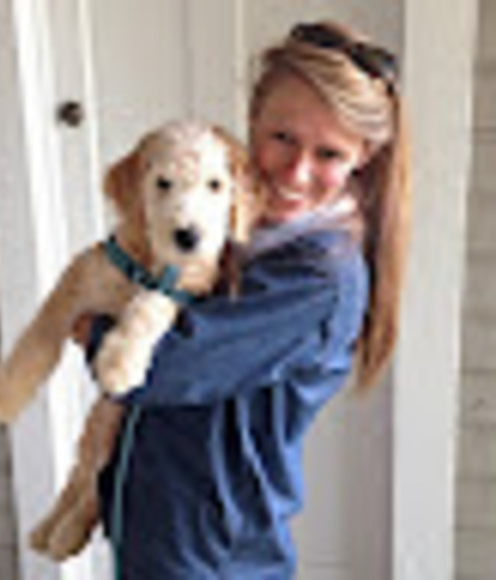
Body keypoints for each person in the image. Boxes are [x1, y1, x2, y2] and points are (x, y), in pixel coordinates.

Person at [85, 20, 410, 579]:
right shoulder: (235, 226)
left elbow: (160, 367)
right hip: (162, 510)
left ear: (364, 157)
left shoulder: (319, 278)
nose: (297, 172)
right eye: (282, 137)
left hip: (213, 544)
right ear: (253, 118)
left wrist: (89, 325)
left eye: (329, 153)